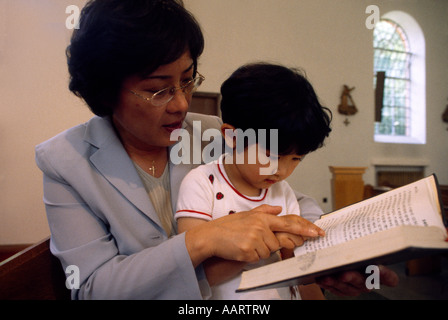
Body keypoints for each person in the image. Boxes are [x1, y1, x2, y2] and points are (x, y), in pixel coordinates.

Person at [34, 0, 398, 299]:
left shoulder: (213, 133)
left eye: (188, 79)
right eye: (159, 89)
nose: (180, 104)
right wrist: (201, 241)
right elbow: (93, 288)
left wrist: (335, 254)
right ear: (105, 90)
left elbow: (291, 202)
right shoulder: (65, 162)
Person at [175, 62, 330, 300]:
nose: (282, 171)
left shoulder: (283, 193)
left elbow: (299, 272)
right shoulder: (202, 184)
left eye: (296, 158)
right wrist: (266, 244)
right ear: (231, 137)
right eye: (272, 156)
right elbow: (192, 277)